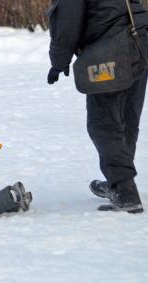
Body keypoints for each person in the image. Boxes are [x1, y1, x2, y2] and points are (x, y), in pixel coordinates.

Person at [47, 0, 148, 213]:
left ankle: (124, 190)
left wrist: (59, 60)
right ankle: (118, 181)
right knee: (126, 119)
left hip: (111, 49)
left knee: (104, 124)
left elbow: (68, 20)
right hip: (139, 40)